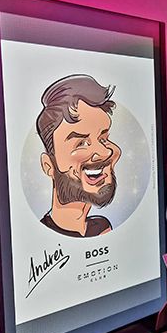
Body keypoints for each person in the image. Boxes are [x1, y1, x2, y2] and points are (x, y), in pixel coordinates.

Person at [37, 74, 121, 237]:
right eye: (82, 143)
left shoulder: (101, 228)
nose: (106, 152)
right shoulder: (42, 235)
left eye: (103, 139)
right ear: (48, 166)